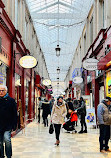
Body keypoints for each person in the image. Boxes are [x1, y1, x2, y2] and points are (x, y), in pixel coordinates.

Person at [0, 85, 17, 158]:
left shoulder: (11, 101)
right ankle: (1, 155)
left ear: (6, 91)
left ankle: (9, 155)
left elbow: (14, 114)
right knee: (0, 142)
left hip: (8, 125)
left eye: (2, 90)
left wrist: (14, 125)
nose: (1, 92)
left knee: (7, 139)